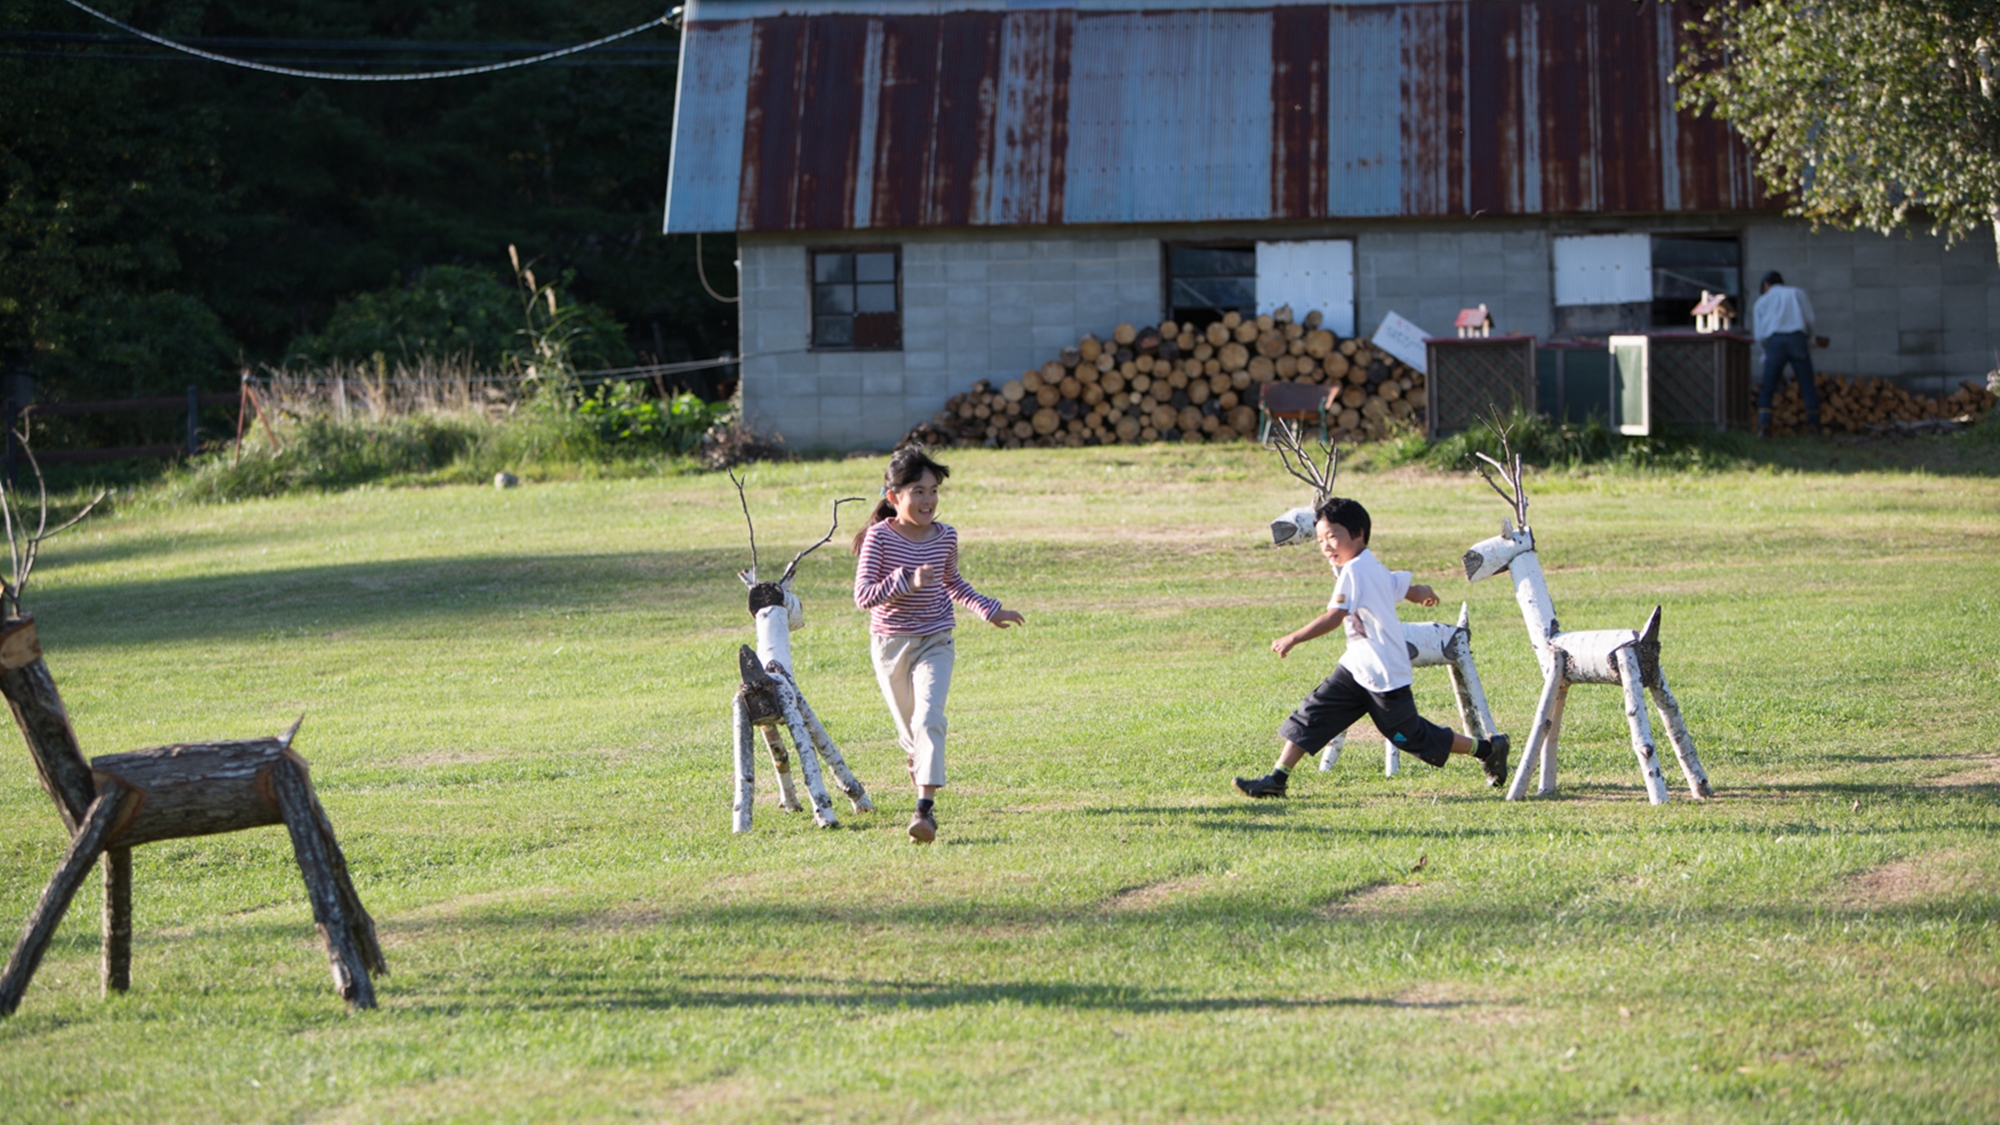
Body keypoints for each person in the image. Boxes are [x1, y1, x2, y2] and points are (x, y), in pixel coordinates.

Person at [1235, 496, 1508, 799]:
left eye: (1333, 536)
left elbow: (1334, 617)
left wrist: (1294, 638)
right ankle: (1277, 779)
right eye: (1321, 539)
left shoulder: (1355, 571)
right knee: (1312, 714)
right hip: (1356, 667)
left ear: (1359, 533)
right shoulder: (1368, 565)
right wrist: (1422, 592)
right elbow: (1399, 587)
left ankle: (1487, 748)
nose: (1326, 545)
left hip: (1384, 672)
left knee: (1410, 735)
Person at [853, 446, 1024, 843]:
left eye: (933, 491)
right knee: (911, 733)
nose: (928, 499)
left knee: (929, 717)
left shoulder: (945, 536)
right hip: (891, 645)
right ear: (894, 497)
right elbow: (863, 596)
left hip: (936, 639)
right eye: (918, 491)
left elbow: (954, 583)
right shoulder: (878, 539)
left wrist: (989, 610)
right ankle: (918, 763)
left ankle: (924, 812)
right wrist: (907, 581)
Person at [1752, 270, 1821, 435]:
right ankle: (1814, 426)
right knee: (1807, 385)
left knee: (1768, 386)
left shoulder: (1761, 302)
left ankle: (1764, 426)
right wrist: (1809, 338)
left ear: (1766, 284)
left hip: (1775, 342)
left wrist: (1765, 351)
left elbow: (1760, 334)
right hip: (1797, 338)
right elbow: (1810, 320)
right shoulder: (1797, 293)